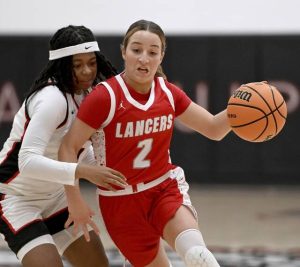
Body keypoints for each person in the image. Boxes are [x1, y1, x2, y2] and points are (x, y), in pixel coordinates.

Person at [59, 20, 231, 267]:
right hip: (121, 203)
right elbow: (67, 147)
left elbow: (214, 129)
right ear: (123, 52)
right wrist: (74, 201)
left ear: (161, 56)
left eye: (153, 52)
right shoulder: (104, 96)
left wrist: (240, 111)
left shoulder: (168, 92)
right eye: (136, 50)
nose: (144, 58)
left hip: (163, 189)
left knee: (198, 256)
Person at [0, 25, 127, 267]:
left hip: (55, 195)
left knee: (97, 265)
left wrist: (109, 170)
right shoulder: (52, 99)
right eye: (77, 65)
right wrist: (84, 172)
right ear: (61, 65)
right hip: (15, 196)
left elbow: (82, 151)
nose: (87, 71)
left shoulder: (90, 94)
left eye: (91, 62)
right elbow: (26, 161)